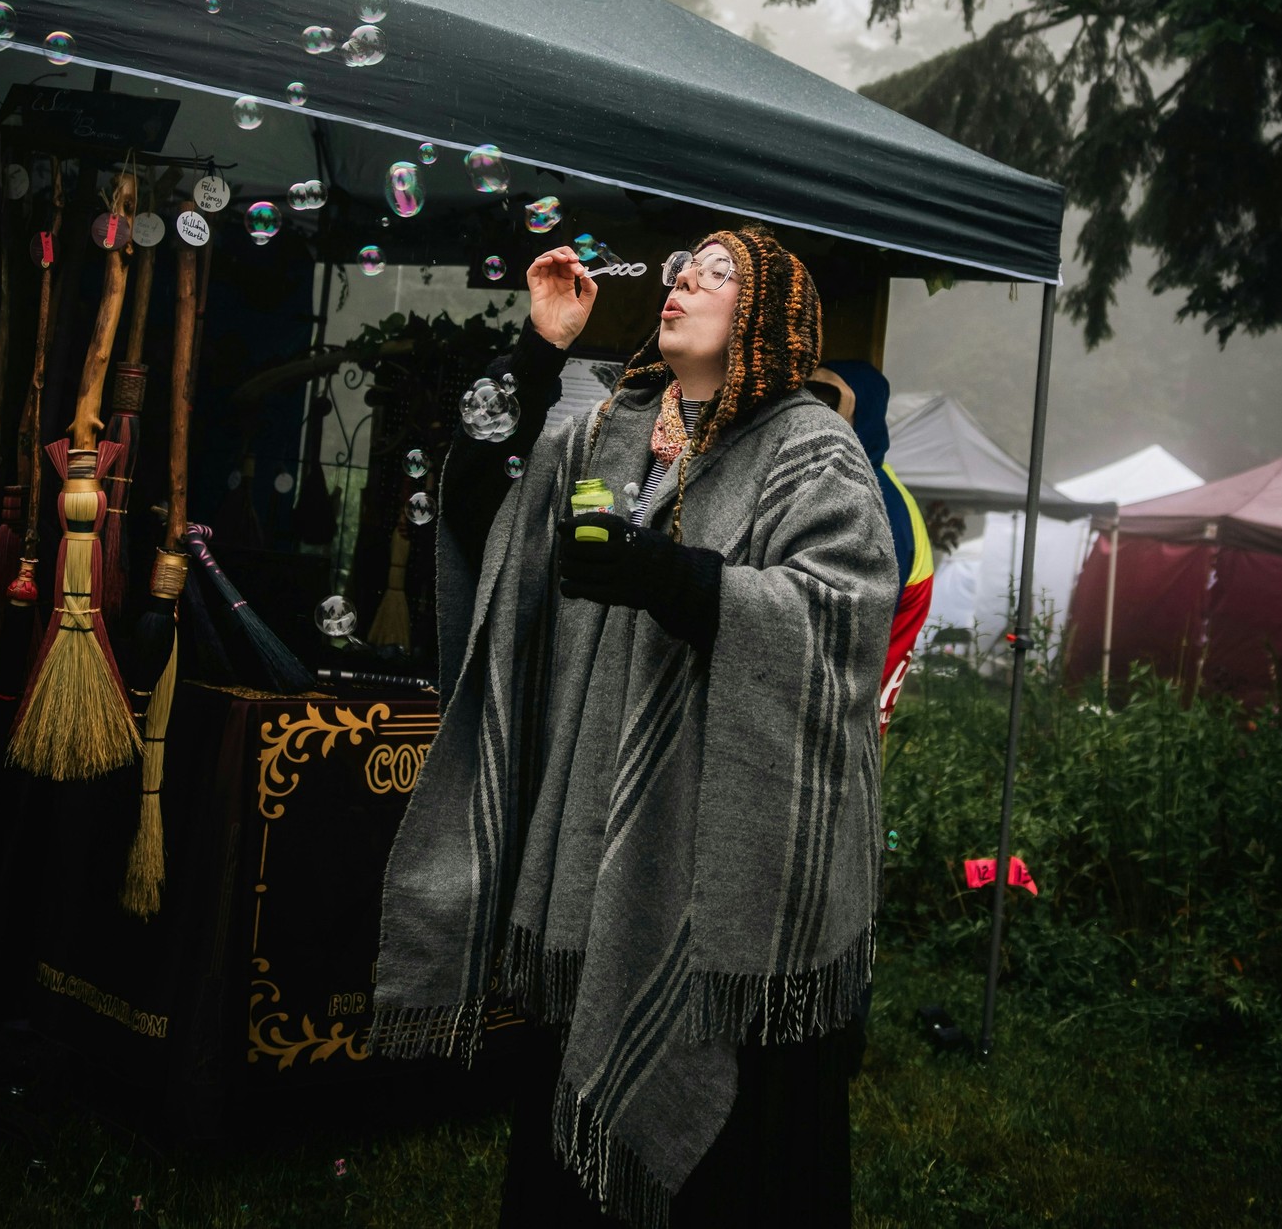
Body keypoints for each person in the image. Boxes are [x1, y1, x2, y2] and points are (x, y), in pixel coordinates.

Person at [372, 227, 899, 1228]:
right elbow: (483, 517)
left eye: (718, 270)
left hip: (726, 862)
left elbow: (839, 614)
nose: (683, 279)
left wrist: (669, 578)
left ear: (770, 316)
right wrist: (539, 346)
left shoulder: (807, 446)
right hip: (591, 837)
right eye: (680, 266)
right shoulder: (603, 433)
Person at [817, 360, 935, 728]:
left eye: (827, 400)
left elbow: (845, 632)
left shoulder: (878, 504)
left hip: (857, 696)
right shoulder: (851, 478)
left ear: (860, 415)